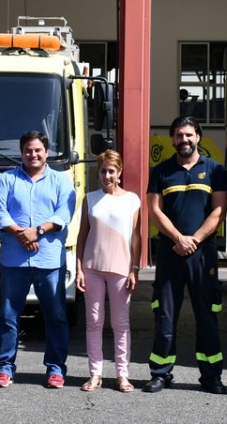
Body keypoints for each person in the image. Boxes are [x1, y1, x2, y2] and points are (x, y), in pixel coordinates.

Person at [142, 116, 227, 395]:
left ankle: (211, 375)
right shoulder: (161, 171)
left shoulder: (215, 170)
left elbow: (218, 211)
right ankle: (161, 373)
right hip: (170, 252)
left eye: (189, 135)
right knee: (165, 315)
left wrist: (194, 240)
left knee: (207, 314)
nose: (184, 140)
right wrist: (178, 239)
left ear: (199, 137)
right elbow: (155, 210)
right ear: (172, 139)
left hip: (202, 255)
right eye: (179, 135)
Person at [0, 131, 76, 389]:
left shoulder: (61, 180)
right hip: (14, 260)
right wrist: (21, 234)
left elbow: (64, 213)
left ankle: (55, 368)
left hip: (49, 260)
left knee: (56, 316)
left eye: (38, 150)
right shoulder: (6, 180)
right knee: (7, 315)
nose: (33, 154)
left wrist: (37, 231)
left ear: (46, 152)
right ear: (21, 152)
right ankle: (4, 367)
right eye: (28, 150)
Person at [75, 149, 142, 393]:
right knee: (93, 322)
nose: (106, 175)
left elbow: (136, 237)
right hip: (92, 268)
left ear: (119, 172)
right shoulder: (89, 199)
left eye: (111, 171)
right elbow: (82, 236)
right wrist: (79, 268)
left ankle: (122, 375)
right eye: (102, 171)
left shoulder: (132, 200)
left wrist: (135, 268)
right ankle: (95, 374)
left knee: (120, 323)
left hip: (121, 269)